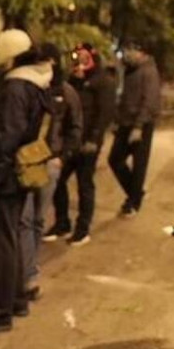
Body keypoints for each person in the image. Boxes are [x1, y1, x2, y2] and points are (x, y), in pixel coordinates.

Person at [0, 29, 51, 333]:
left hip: (5, 176)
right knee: (10, 239)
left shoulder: (14, 88)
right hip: (19, 172)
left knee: (0, 244)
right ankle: (17, 299)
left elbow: (3, 140)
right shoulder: (34, 83)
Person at [18, 44, 83, 298]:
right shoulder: (28, 89)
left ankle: (29, 271)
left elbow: (75, 127)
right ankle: (26, 275)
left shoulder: (66, 92)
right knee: (24, 220)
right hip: (26, 162)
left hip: (49, 163)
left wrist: (62, 158)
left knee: (36, 220)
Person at [45, 43, 116, 246]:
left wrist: (94, 138)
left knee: (84, 184)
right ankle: (62, 223)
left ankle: (82, 229)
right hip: (71, 141)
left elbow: (105, 112)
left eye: (83, 56)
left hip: (88, 142)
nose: (79, 60)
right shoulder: (73, 80)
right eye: (76, 56)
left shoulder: (102, 80)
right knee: (58, 180)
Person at [109, 41, 161, 217]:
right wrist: (117, 120)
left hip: (141, 124)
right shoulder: (129, 70)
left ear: (141, 52)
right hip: (125, 122)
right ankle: (136, 192)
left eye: (130, 50)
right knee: (115, 159)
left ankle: (133, 203)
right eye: (125, 50)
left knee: (139, 165)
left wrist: (139, 126)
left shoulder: (149, 71)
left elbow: (150, 100)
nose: (127, 54)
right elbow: (123, 97)